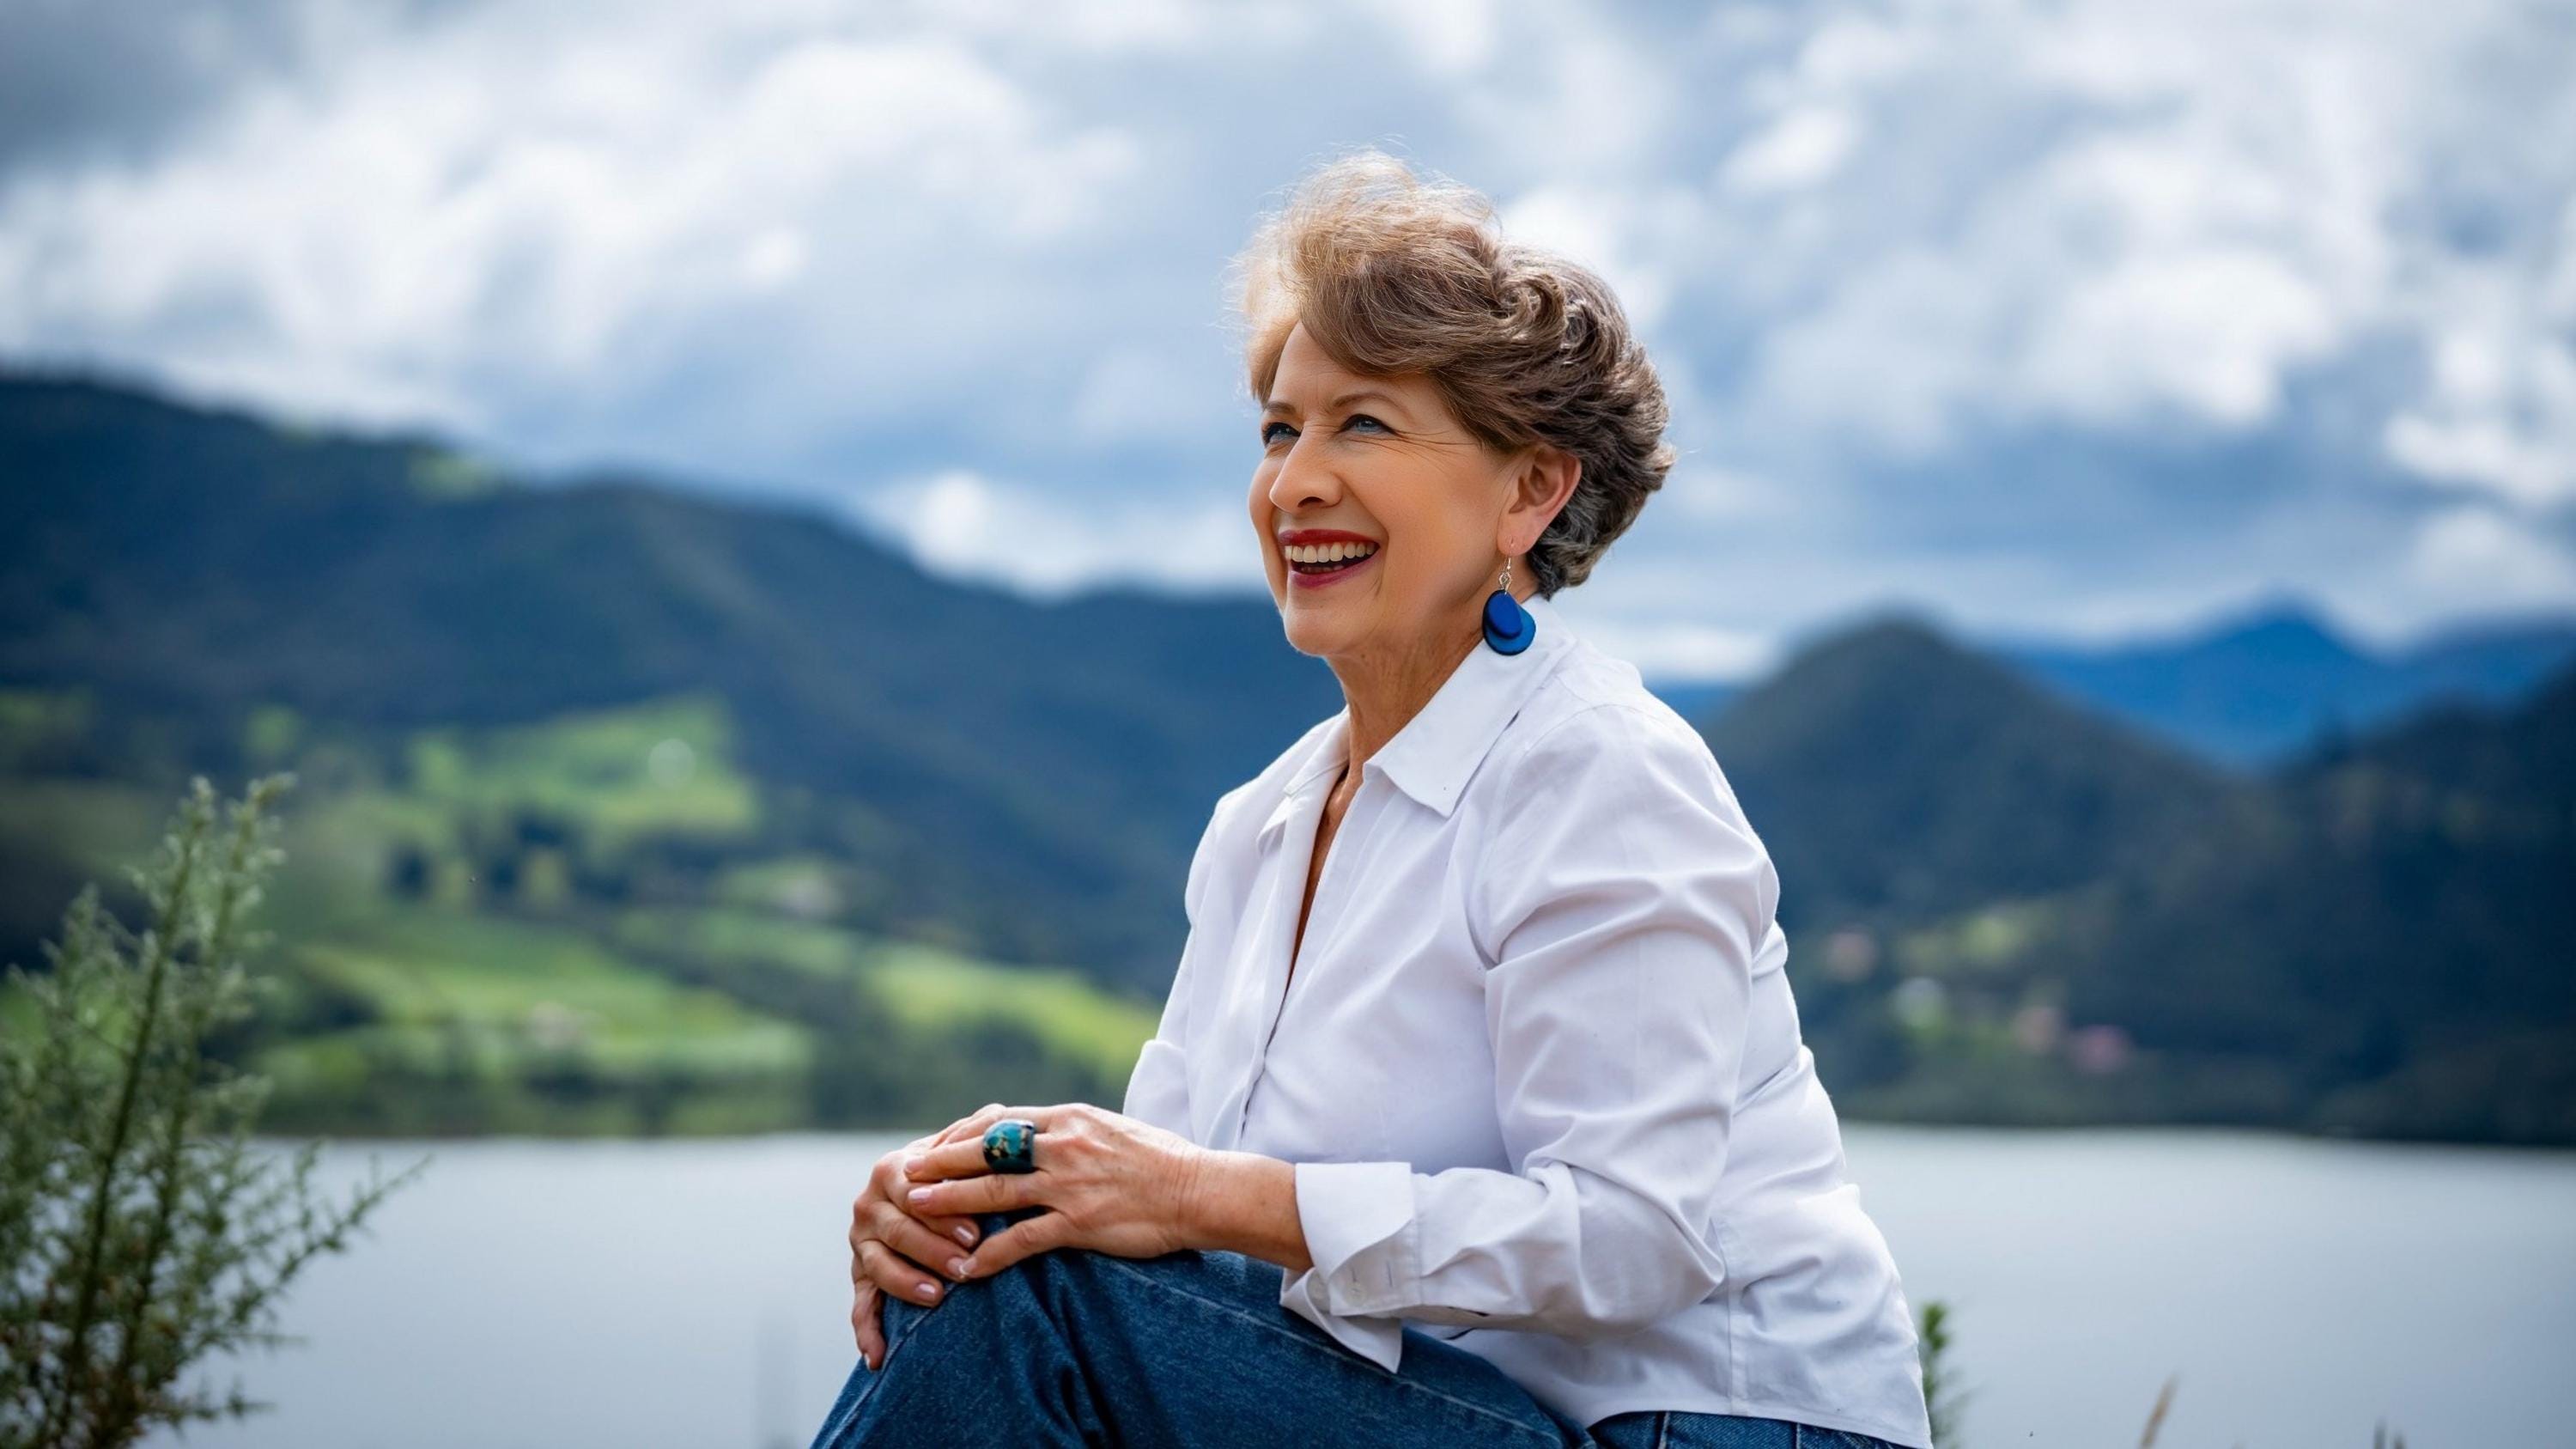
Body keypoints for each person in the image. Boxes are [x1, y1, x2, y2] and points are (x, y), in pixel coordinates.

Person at [811, 148, 1933, 1449]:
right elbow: (1154, 1226)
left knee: (1034, 1295)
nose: (1294, 483)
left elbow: (1636, 1240)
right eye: (1281, 429)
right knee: (1003, 1259)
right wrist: (968, 1193)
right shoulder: (1259, 828)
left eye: (1365, 424)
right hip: (1463, 1416)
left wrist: (1186, 1197)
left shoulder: (1600, 773)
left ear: (1532, 488)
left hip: (1706, 1427)